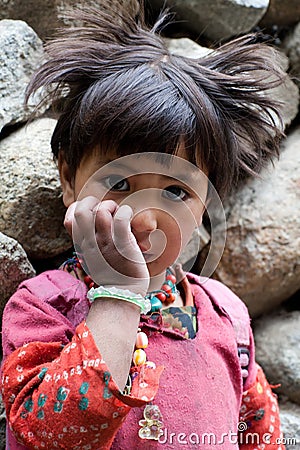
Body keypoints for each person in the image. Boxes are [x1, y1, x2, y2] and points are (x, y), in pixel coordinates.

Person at [1, 3, 287, 449]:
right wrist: (117, 294)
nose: (146, 217)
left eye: (176, 192)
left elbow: (260, 433)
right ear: (69, 182)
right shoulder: (45, 307)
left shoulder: (224, 316)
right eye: (119, 183)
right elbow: (50, 437)